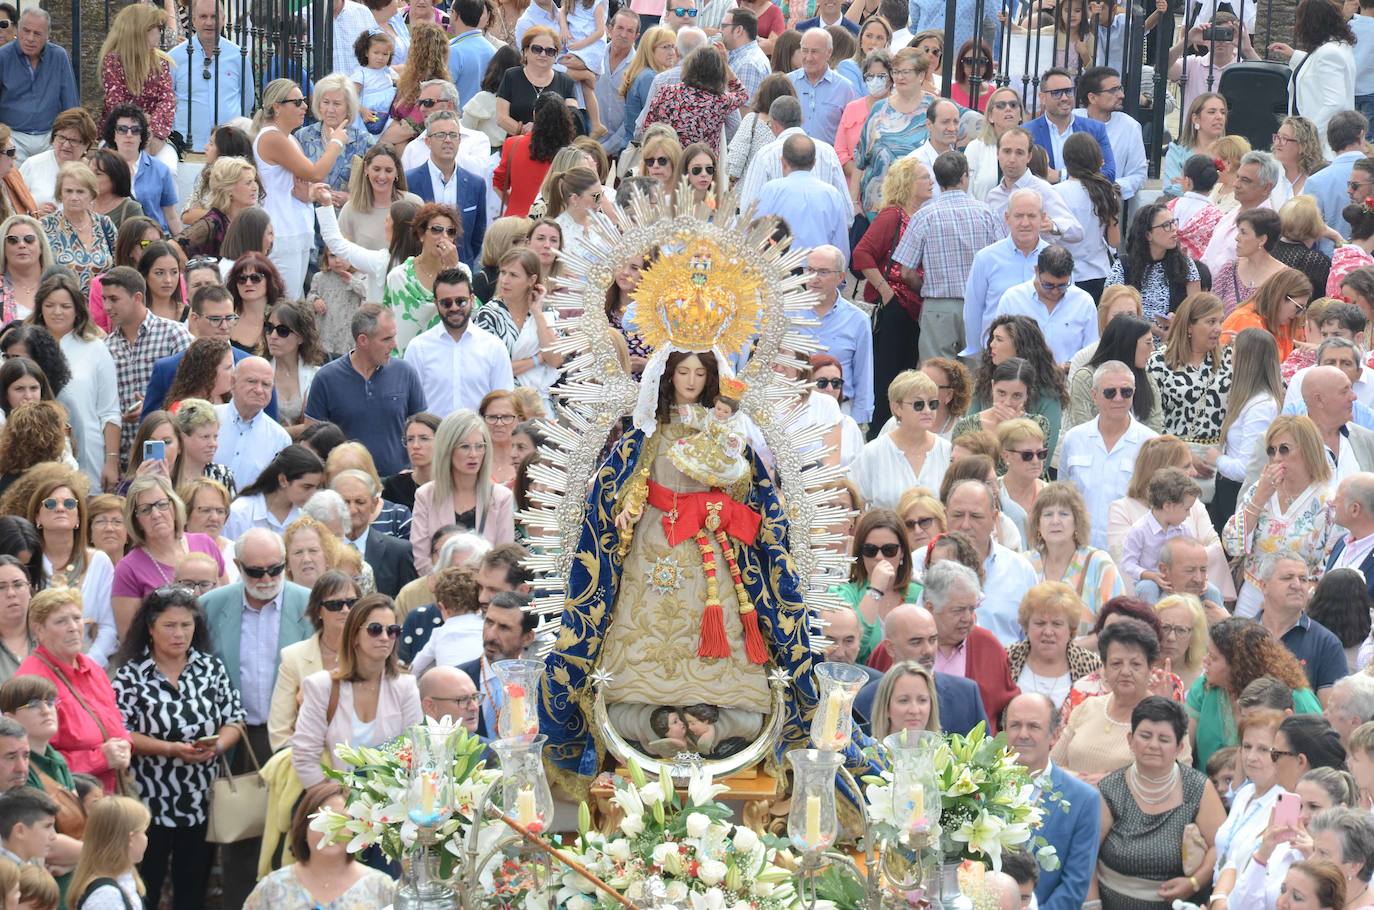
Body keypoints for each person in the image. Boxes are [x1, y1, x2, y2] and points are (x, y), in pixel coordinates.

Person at [110, 586, 243, 910]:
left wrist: (217, 746)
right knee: (147, 886)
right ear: (151, 628)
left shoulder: (210, 668)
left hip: (200, 797)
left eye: (186, 625)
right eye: (170, 625)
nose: (179, 633)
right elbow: (121, 731)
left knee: (192, 888)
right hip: (148, 798)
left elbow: (235, 719)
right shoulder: (130, 674)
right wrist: (169, 749)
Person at [1093, 696, 1227, 910]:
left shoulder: (1198, 787)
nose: (1153, 745)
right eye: (1145, 736)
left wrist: (1194, 883)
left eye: (1164, 739)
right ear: (1130, 740)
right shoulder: (1109, 789)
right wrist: (1092, 905)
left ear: (1179, 747)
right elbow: (1086, 854)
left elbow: (1221, 847)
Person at [290, 592, 422, 787]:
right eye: (375, 629)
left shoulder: (406, 687)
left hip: (392, 801)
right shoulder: (321, 686)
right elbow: (304, 756)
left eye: (393, 630)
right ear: (354, 636)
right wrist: (331, 800)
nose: (385, 637)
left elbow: (416, 754)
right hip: (334, 801)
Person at [15, 588, 131, 794]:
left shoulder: (91, 667)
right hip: (68, 799)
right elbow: (35, 758)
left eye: (77, 618)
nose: (73, 628)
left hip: (111, 792)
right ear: (38, 630)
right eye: (61, 621)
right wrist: (101, 758)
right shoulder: (32, 680)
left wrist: (125, 746)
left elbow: (116, 720)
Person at [1224, 418, 1341, 617]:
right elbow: (1232, 545)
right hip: (1253, 594)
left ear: (1307, 450)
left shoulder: (1328, 503)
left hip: (1299, 601)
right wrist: (1259, 498)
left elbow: (1332, 565)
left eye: (1284, 449)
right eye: (1271, 451)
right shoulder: (1260, 490)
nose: (1276, 457)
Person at [891, 150, 1001, 362]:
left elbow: (905, 272)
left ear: (938, 179)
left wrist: (924, 286)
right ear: (964, 177)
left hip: (938, 305)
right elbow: (1000, 261)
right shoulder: (987, 213)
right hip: (979, 305)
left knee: (937, 375)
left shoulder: (925, 216)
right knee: (977, 378)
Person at [252, 80, 349, 300]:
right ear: (277, 107)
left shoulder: (289, 138)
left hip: (295, 230)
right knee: (284, 303)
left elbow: (304, 181)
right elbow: (315, 172)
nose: (305, 107)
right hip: (282, 233)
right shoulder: (271, 137)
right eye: (297, 102)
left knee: (294, 301)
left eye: (304, 101)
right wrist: (336, 143)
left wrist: (312, 192)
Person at [304, 305, 426, 477]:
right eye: (386, 339)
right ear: (363, 340)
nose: (394, 344)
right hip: (347, 487)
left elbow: (423, 430)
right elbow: (311, 442)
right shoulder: (326, 378)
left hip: (399, 485)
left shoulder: (405, 373)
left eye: (394, 336)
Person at [1004, 693, 1101, 910]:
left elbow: (1075, 885)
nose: (1023, 734)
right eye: (1015, 725)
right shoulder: (980, 787)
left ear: (1055, 735)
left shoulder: (1083, 800)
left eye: (1034, 726)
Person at [1051, 617, 1179, 780]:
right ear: (1104, 667)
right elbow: (1052, 766)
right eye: (1116, 663)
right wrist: (1079, 781)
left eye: (1135, 664)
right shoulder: (1087, 707)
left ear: (1150, 668)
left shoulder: (1168, 717)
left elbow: (1177, 776)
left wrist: (1112, 784)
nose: (1125, 671)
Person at [1187, 618, 1323, 770]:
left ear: (1239, 665)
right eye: (1207, 654)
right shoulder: (1204, 688)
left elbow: (1320, 756)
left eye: (1214, 658)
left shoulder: (1296, 697)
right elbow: (1184, 748)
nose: (1205, 661)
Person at [242, 782, 396, 910]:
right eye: (323, 819)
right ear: (303, 828)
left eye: (341, 820)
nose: (331, 829)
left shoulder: (380, 887)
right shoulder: (272, 887)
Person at [25, 467, 117, 665]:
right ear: (37, 517)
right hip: (37, 669)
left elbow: (109, 628)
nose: (60, 508)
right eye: (50, 503)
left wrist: (87, 666)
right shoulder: (27, 564)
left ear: (78, 517)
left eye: (68, 503)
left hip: (89, 667)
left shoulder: (99, 561)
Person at [267, 571, 361, 749]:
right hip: (307, 762)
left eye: (352, 603)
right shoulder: (293, 657)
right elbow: (280, 732)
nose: (346, 610)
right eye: (335, 604)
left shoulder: (371, 653)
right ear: (318, 611)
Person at [1025, 481, 1124, 626]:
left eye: (1063, 514)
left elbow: (1117, 626)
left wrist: (1071, 648)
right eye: (1048, 514)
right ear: (1038, 524)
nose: (1055, 521)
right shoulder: (1024, 564)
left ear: (1077, 522)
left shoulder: (1100, 565)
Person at [1249, 553, 1348, 699]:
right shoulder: (1241, 634)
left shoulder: (1326, 643)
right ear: (1264, 586)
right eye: (1287, 578)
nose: (1297, 585)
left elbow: (1331, 713)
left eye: (1303, 579)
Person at [850, 47, 933, 218]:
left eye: (906, 72)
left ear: (921, 75)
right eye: (896, 71)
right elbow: (860, 160)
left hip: (920, 207)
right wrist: (854, 202)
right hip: (876, 206)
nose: (899, 77)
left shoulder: (935, 107)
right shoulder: (879, 109)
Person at [1266, 0, 1355, 159]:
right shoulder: (1333, 48)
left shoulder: (1328, 53)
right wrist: (1294, 55)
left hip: (1321, 149)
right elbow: (1316, 67)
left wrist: (1306, 135)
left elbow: (1335, 102)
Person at [850, 370, 951, 509]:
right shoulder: (872, 453)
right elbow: (853, 503)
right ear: (897, 407)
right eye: (918, 404)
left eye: (933, 404)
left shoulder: (947, 451)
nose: (927, 410)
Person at [1147, 292, 1232, 450]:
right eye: (1211, 322)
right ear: (1189, 326)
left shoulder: (1230, 359)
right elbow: (1151, 419)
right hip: (1172, 455)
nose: (1219, 329)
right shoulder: (1159, 362)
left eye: (1220, 321)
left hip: (1218, 460)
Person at [403, 113, 486, 273]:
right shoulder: (409, 181)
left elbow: (477, 236)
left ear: (459, 140)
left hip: (461, 272)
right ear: (427, 141)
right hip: (419, 272)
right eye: (440, 135)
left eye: (453, 135)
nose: (447, 140)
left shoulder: (476, 184)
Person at [737, 95, 850, 211]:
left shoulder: (765, 155)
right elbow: (846, 212)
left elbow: (747, 209)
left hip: (776, 227)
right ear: (802, 120)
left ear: (774, 124)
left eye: (769, 125)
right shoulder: (828, 152)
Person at [169, 0, 250, 154]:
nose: (209, 22)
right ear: (193, 20)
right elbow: (168, 101)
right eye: (203, 16)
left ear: (224, 19)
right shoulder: (174, 57)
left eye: (214, 16)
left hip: (228, 150)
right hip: (187, 149)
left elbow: (247, 100)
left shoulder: (238, 55)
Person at [0, 9, 78, 164]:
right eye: (26, 31)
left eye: (37, 34)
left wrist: (69, 138)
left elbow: (71, 105)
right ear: (17, 29)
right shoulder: (2, 56)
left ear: (47, 36)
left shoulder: (59, 56)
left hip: (51, 137)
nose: (30, 38)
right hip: (13, 136)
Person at [1008, 581, 1102, 709]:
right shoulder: (1006, 659)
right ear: (1026, 625)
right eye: (1040, 623)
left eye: (1057, 624)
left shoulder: (1092, 666)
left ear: (1071, 629)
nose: (1048, 632)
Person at [754, 134, 853, 257]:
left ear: (783, 162)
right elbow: (841, 246)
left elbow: (756, 237)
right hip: (820, 271)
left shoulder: (769, 190)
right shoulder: (832, 194)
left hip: (780, 270)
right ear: (814, 163)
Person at [66, 796, 150, 910]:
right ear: (130, 839)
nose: (146, 838)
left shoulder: (124, 878)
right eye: (144, 832)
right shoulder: (106, 895)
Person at [1303, 112, 1370, 243]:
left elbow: (1307, 231)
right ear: (1361, 135)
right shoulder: (1315, 181)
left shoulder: (1315, 181)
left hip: (1330, 259)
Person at [1220, 264, 1309, 362]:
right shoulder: (1245, 320)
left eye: (1302, 309)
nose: (1299, 314)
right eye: (1298, 307)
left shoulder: (1289, 324)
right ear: (1280, 297)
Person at [787, 28, 858, 145]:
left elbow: (851, 133)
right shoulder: (788, 82)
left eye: (814, 52)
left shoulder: (844, 88)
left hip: (828, 159)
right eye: (804, 51)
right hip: (791, 158)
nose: (808, 58)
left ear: (829, 53)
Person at [869, 660, 942, 737]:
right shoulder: (871, 748)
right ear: (886, 706)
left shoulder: (945, 748)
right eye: (904, 700)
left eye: (922, 700)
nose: (914, 710)